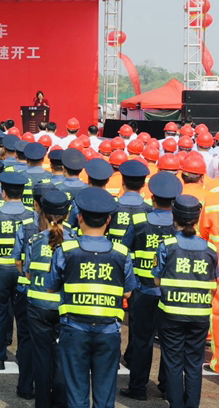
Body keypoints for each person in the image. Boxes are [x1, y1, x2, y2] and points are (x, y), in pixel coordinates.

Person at [46, 187, 137, 408]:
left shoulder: (66, 249)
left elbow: (50, 287)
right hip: (108, 331)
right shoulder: (121, 252)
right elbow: (128, 291)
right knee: (105, 397)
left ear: (79, 218)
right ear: (108, 220)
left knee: (76, 395)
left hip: (74, 330)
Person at [121, 172, 183, 401]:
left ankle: (138, 388)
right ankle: (167, 387)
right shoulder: (180, 227)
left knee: (141, 341)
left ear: (152, 198)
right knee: (170, 342)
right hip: (169, 294)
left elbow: (125, 253)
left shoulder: (139, 222)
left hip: (143, 291)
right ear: (174, 200)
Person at [155, 195, 216, 408]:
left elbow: (157, 279)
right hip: (199, 316)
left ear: (174, 216)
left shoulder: (167, 246)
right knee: (194, 364)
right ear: (197, 219)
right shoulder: (211, 250)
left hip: (171, 314)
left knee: (173, 362)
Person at [0, 172, 34, 382]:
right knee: (23, 316)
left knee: (0, 313)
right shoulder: (32, 216)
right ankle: (23, 356)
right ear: (22, 193)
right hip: (22, 273)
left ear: (3, 193)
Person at [25, 190, 72, 408]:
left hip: (37, 307)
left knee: (42, 358)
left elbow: (27, 273)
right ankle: (61, 403)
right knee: (63, 357)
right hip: (65, 308)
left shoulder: (35, 240)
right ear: (68, 213)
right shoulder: (76, 241)